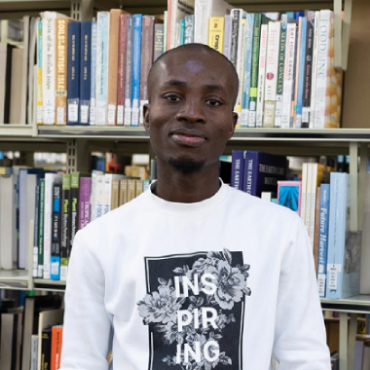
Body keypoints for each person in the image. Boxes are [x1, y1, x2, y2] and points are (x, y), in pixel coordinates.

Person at [60, 44, 331, 370]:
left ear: (231, 124)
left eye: (212, 101)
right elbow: (81, 361)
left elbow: (305, 358)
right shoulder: (98, 241)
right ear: (147, 116)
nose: (191, 112)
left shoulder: (280, 230)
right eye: (173, 97)